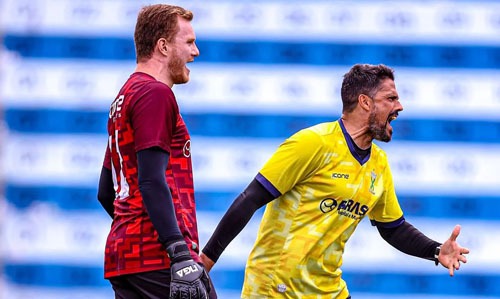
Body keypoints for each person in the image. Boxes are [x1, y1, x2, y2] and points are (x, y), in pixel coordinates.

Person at [200, 64, 470, 298]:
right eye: (391, 98)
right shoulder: (313, 143)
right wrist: (205, 261)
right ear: (365, 102)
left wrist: (436, 250)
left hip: (329, 291)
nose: (399, 107)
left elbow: (393, 228)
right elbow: (250, 199)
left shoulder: (379, 163)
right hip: (275, 289)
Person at [97, 4, 216, 299]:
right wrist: (177, 251)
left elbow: (105, 190)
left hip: (127, 257)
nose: (195, 51)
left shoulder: (125, 96)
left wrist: (131, 230)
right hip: (158, 256)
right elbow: (151, 180)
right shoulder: (156, 93)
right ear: (163, 46)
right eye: (188, 42)